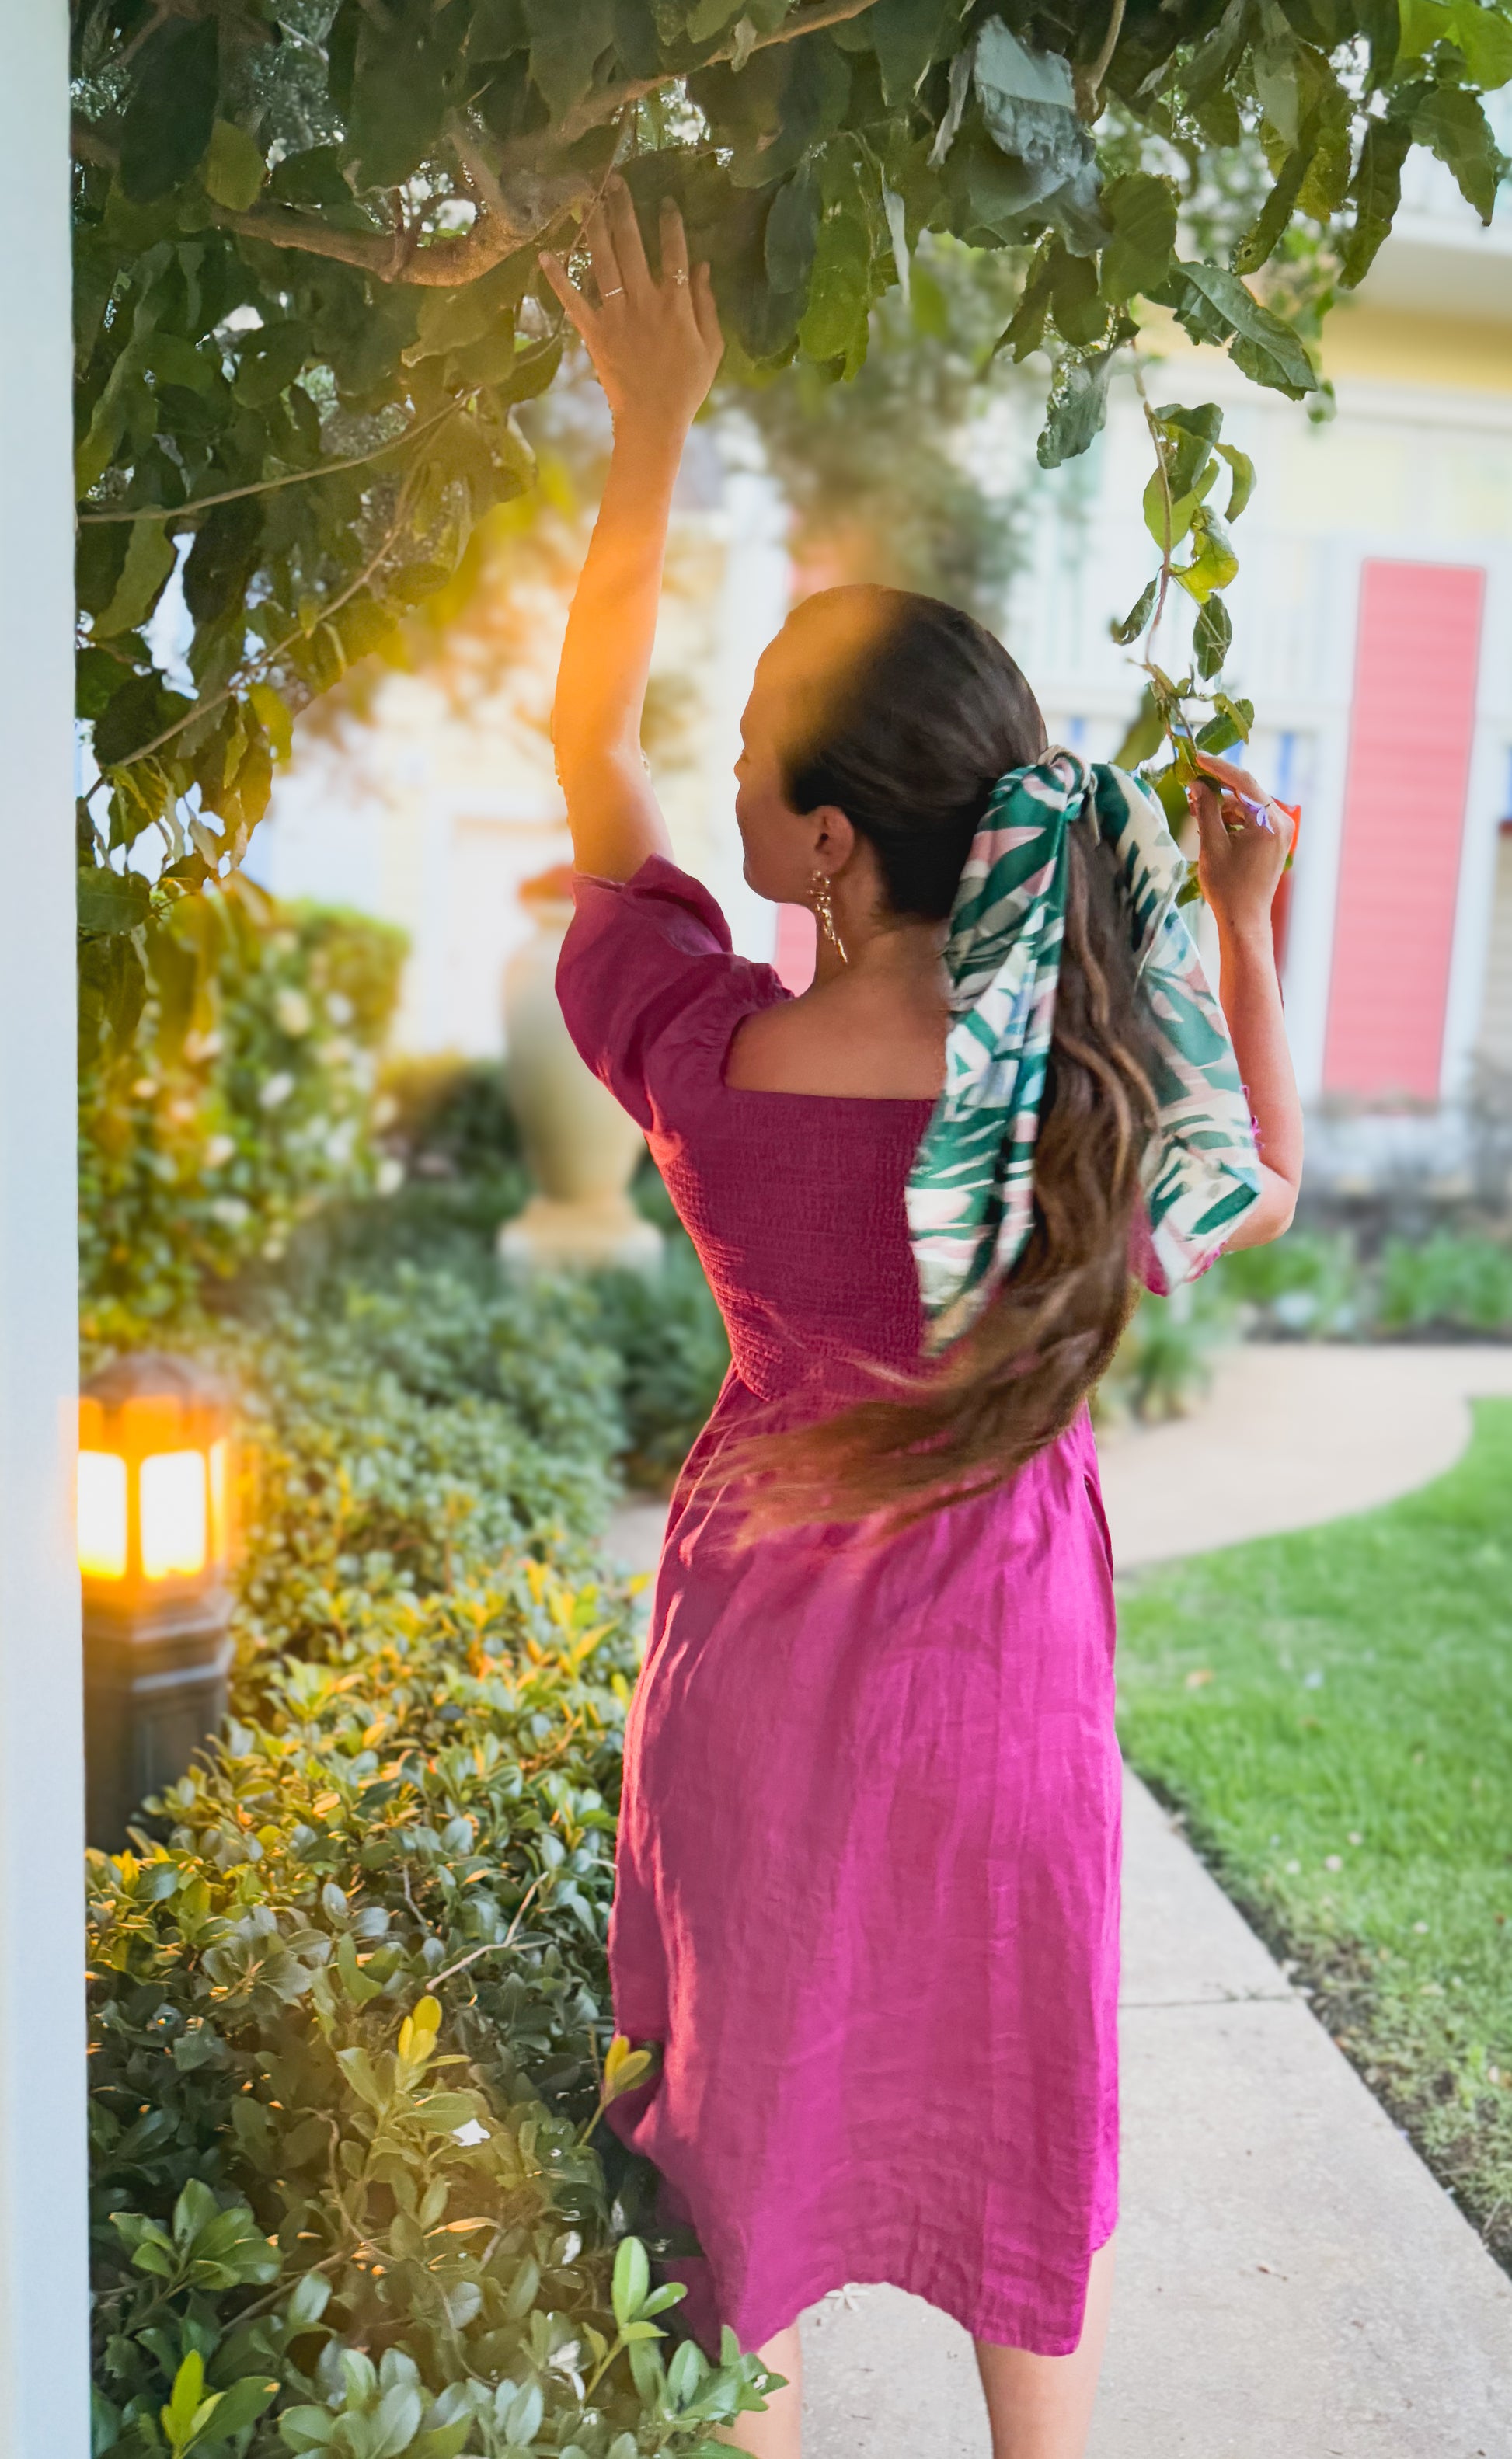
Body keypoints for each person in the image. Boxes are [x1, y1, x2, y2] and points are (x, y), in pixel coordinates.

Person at [540, 182, 1301, 2459]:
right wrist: (1244, 918)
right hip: (1002, 1687)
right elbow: (1251, 1181)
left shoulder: (696, 1050)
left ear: (826, 849)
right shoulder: (1071, 1096)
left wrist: (646, 430)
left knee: (727, 2148)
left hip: (759, 1680)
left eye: (765, 766)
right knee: (1002, 2091)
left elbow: (585, 748)